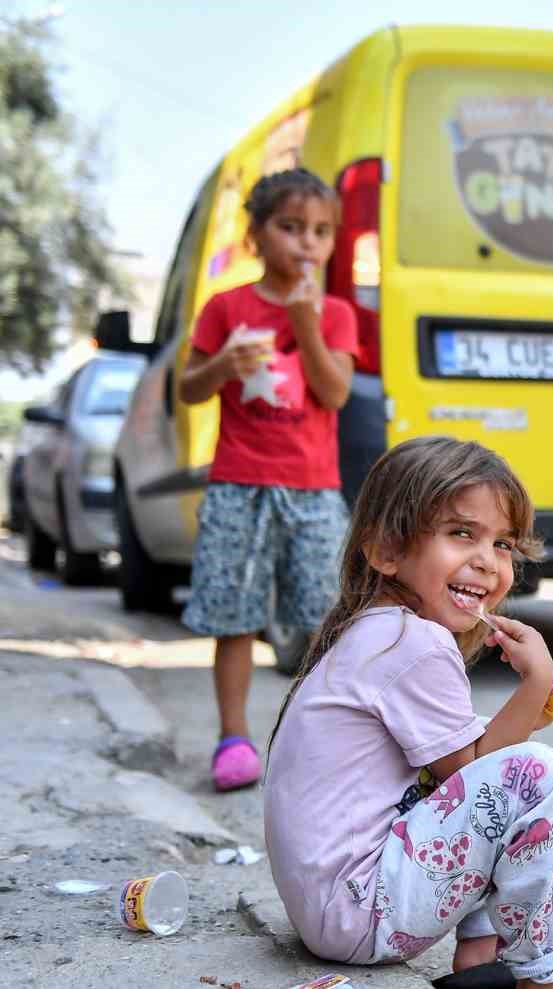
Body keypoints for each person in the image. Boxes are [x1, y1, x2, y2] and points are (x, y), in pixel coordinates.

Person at [263, 437, 553, 989]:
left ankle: (480, 956)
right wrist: (538, 680)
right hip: (358, 911)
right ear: (386, 552)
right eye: (461, 533)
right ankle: (545, 977)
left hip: (335, 909)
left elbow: (460, 774)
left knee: (496, 781)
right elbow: (471, 775)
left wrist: (527, 714)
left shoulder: (380, 630)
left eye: (503, 544)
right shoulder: (412, 642)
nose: (487, 562)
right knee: (535, 774)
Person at [177, 168, 358, 791]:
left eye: (321, 232)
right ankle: (233, 739)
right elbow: (189, 388)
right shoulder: (226, 308)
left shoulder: (334, 314)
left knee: (325, 617)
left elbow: (333, 393)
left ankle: (322, 743)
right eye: (290, 228)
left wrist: (305, 323)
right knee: (237, 616)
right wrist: (226, 362)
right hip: (238, 484)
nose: (307, 243)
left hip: (311, 488)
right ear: (255, 236)